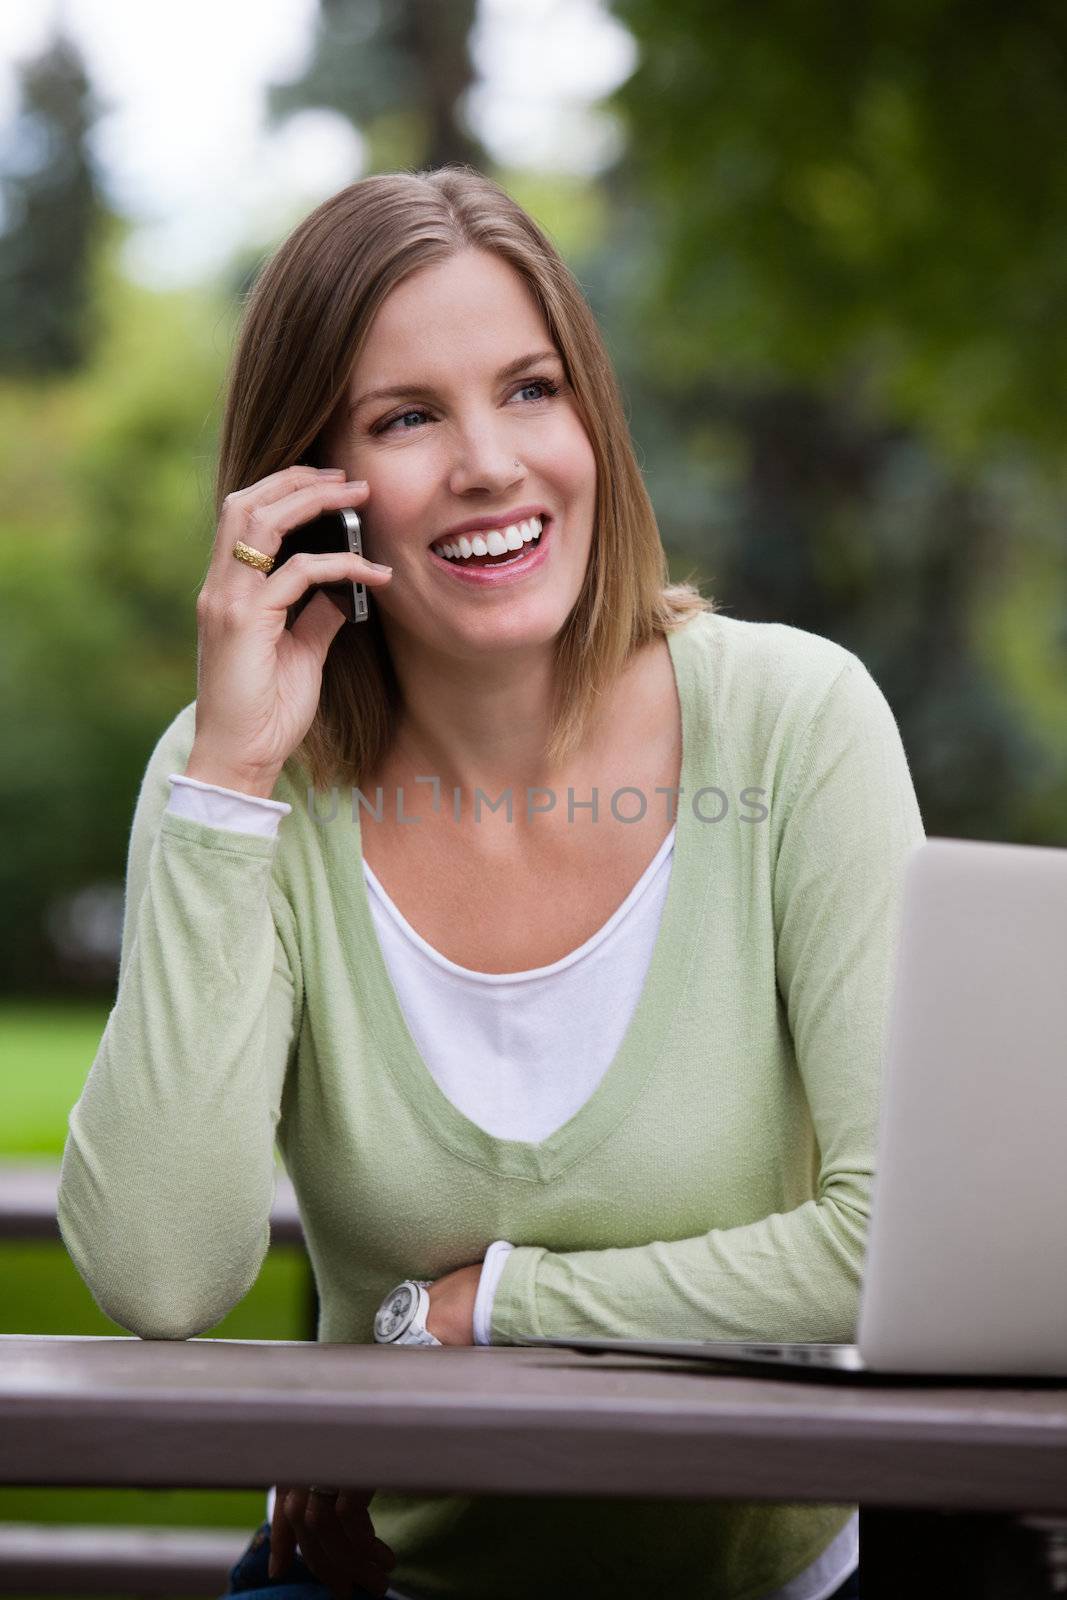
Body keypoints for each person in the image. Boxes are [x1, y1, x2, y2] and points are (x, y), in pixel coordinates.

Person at [57, 165, 921, 1600]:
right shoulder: (236, 776)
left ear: (593, 418)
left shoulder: (793, 720)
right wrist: (225, 786)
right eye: (407, 418)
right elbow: (160, 1280)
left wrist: (476, 1315)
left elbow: (892, 1239)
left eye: (531, 390)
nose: (490, 464)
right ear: (311, 490)